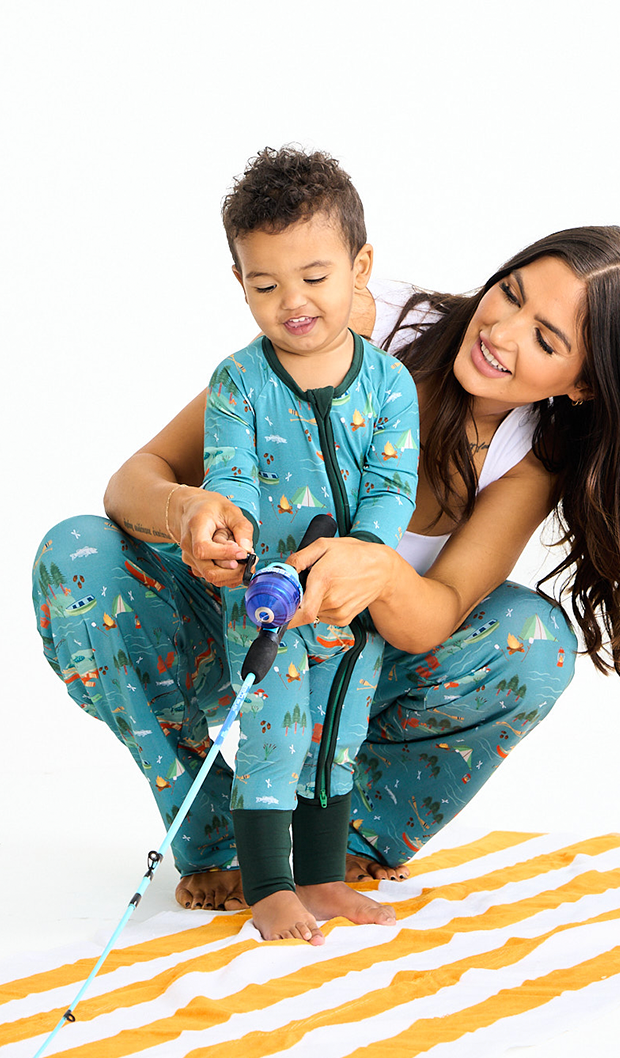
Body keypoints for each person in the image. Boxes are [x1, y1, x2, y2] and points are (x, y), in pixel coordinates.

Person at [32, 216, 620, 936]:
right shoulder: (358, 317)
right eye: (508, 293)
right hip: (229, 619)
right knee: (77, 557)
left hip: (346, 670)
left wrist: (379, 570)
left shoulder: (531, 455)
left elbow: (436, 613)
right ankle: (213, 838)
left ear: (586, 387)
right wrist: (185, 510)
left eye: (546, 339)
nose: (502, 331)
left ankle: (340, 844)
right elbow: (133, 480)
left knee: (533, 640)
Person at [200, 148, 419, 944]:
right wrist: (254, 560)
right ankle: (268, 888)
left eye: (315, 278)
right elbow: (232, 482)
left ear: (360, 267)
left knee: (339, 734)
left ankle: (324, 877)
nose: (293, 301)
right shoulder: (238, 384)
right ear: (241, 283)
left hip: (352, 600)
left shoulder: (391, 385)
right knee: (275, 733)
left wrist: (358, 558)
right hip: (269, 603)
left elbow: (393, 488)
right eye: (266, 285)